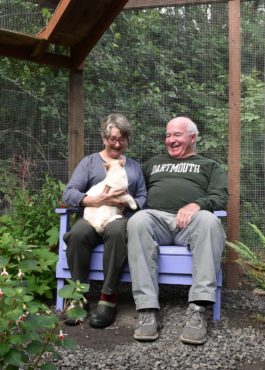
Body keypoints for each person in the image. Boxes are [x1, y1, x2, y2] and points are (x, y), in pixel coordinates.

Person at [127, 116, 228, 344]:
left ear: (193, 137)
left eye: (177, 135)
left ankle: (198, 309)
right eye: (168, 135)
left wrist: (197, 205)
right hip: (157, 220)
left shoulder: (209, 166)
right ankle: (147, 310)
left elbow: (220, 196)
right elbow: (134, 189)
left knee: (210, 221)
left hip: (192, 223)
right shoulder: (153, 163)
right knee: (137, 220)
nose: (170, 140)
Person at [62, 113, 146, 327]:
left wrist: (125, 203)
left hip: (119, 218)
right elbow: (69, 193)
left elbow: (143, 198)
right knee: (78, 234)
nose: (117, 144)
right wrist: (95, 200)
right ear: (104, 138)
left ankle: (108, 298)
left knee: (118, 232)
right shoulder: (90, 163)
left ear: (127, 140)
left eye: (122, 139)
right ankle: (77, 297)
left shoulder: (134, 167)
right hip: (91, 216)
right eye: (112, 139)